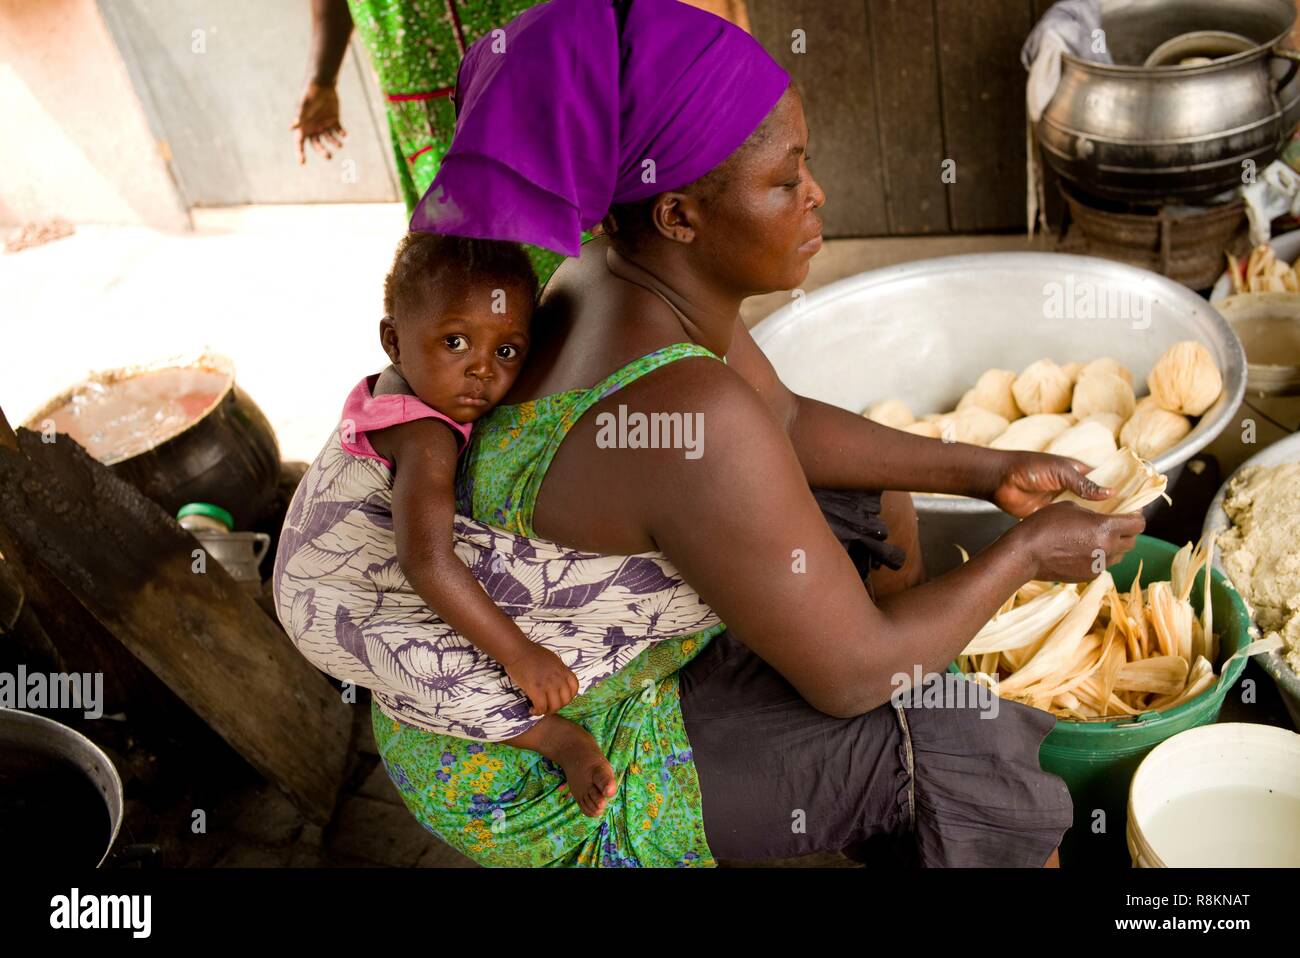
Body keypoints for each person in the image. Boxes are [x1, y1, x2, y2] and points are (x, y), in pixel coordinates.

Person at [318, 0, 1146, 867]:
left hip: (576, 653)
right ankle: (901, 780)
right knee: (967, 746)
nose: (815, 194)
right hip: (538, 760)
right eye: (786, 182)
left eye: (806, 165)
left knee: (871, 496)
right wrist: (1024, 556)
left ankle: (892, 813)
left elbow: (785, 419)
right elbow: (853, 678)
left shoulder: (612, 271)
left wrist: (988, 469)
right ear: (679, 216)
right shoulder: (690, 416)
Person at [291, 0, 571, 282]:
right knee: (467, 263)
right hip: (424, 87)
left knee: (580, 241)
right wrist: (322, 78)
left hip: (529, 54)